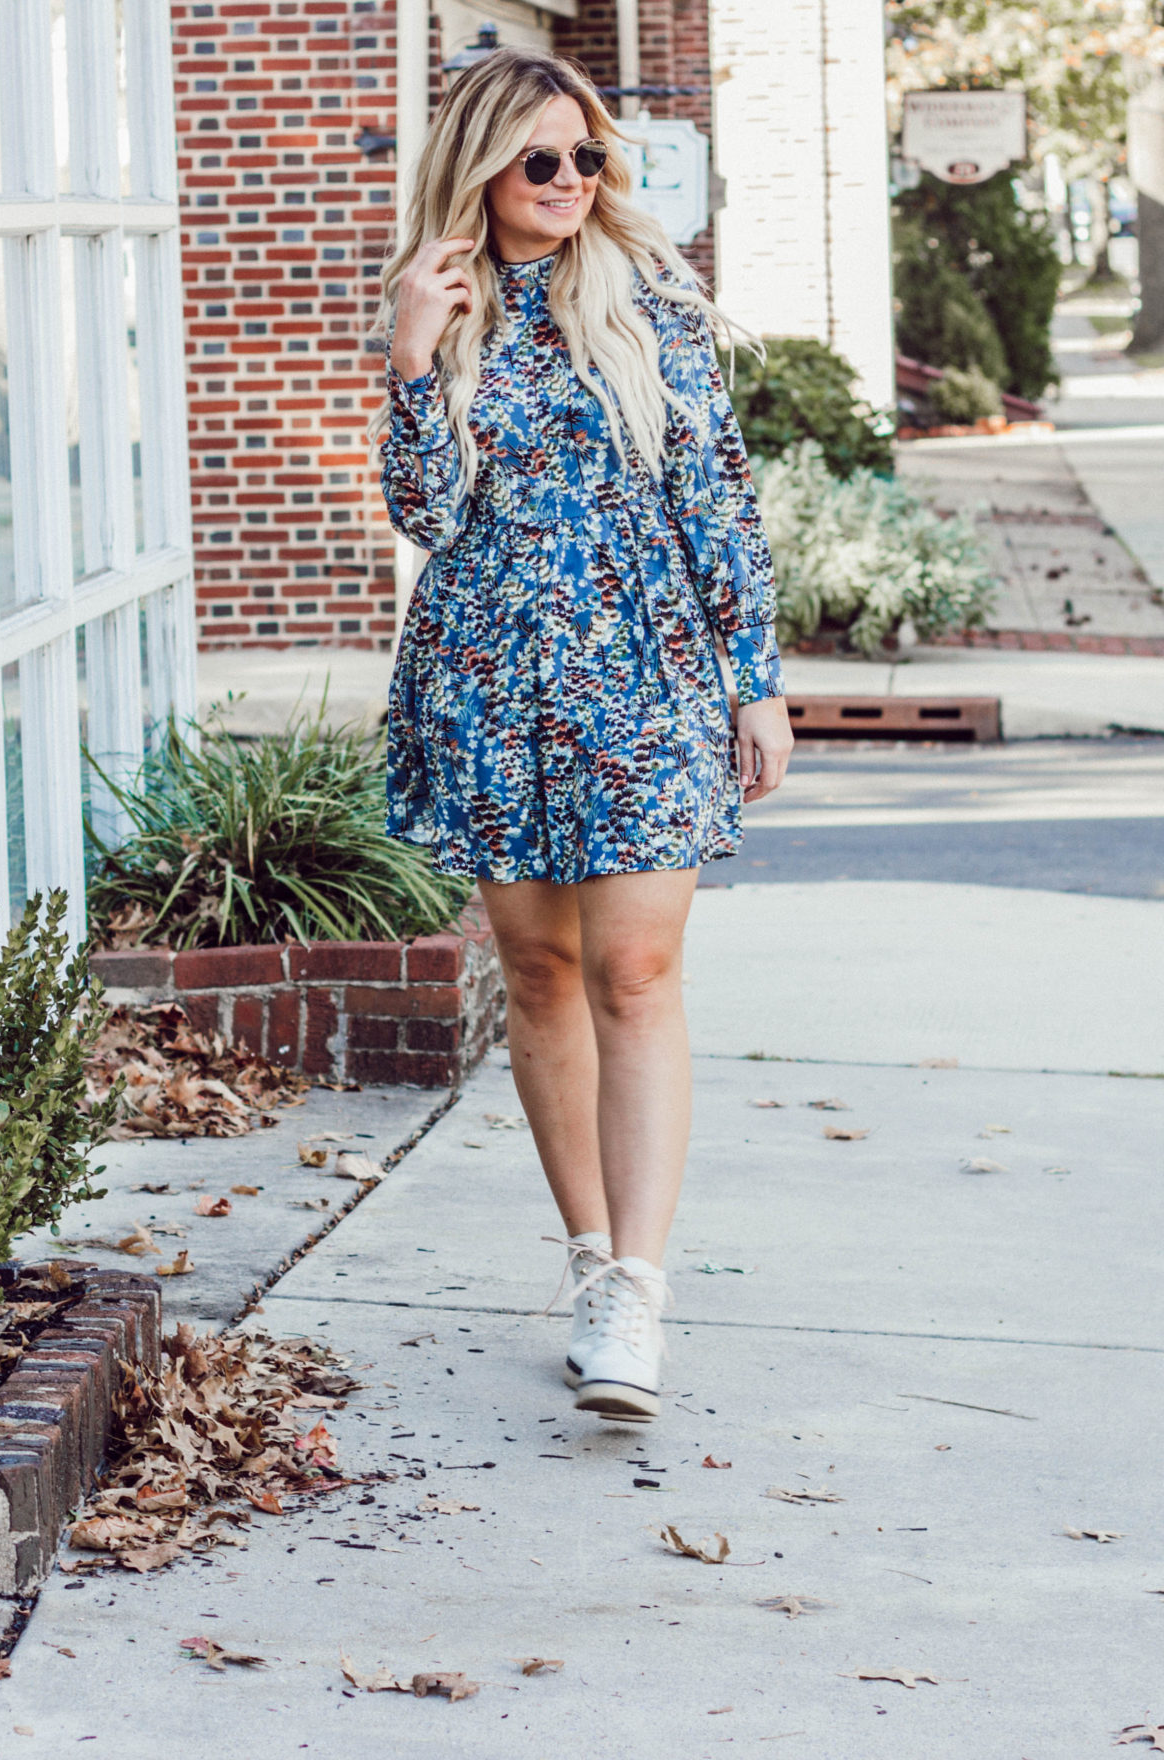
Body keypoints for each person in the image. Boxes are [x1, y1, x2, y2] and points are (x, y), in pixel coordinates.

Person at [373, 47, 792, 1423]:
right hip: (493, 674)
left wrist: (756, 679)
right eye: (541, 160)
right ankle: (590, 1258)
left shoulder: (652, 302)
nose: (570, 183)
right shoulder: (441, 304)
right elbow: (427, 517)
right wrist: (411, 359)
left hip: (643, 669)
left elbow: (718, 501)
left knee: (636, 965)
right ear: (483, 166)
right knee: (541, 975)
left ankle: (642, 1296)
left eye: (587, 158)